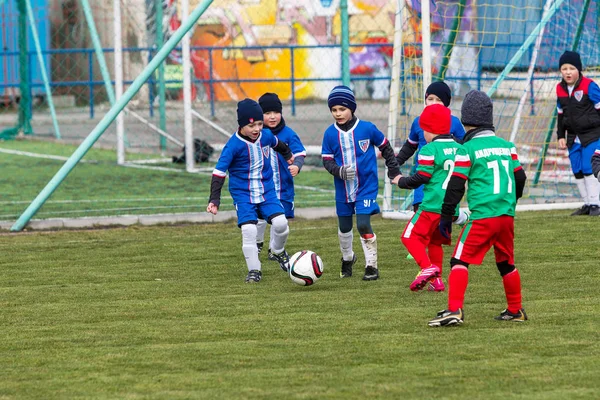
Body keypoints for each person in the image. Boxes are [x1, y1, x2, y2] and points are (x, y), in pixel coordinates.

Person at [428, 90, 528, 327]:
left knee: (458, 261)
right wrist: (511, 202)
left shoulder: (467, 149)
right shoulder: (507, 146)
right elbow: (520, 177)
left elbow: (455, 186)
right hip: (506, 216)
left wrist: (446, 216)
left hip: (483, 216)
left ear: (465, 121)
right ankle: (516, 310)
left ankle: (454, 310)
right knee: (506, 263)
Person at [207, 98, 294, 283]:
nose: (256, 129)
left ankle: (278, 251)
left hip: (266, 191)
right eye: (251, 125)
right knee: (249, 230)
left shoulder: (266, 136)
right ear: (241, 125)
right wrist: (214, 200)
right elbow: (219, 173)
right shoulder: (233, 146)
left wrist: (288, 156)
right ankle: (254, 270)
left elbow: (279, 144)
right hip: (244, 195)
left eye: (260, 124)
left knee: (281, 224)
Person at [321, 85, 401, 281]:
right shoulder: (329, 134)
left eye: (342, 109)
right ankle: (348, 258)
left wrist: (394, 170)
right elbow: (327, 160)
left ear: (352, 108)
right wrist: (337, 170)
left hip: (366, 187)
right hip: (343, 189)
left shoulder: (367, 128)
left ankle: (371, 267)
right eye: (334, 110)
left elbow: (386, 148)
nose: (338, 114)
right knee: (344, 228)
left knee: (363, 224)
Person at [395, 80, 467, 291]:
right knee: (435, 242)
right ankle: (437, 281)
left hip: (431, 204)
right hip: (449, 206)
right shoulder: (458, 149)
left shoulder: (429, 150)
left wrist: (401, 181)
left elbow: (423, 176)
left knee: (408, 236)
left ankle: (426, 267)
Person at [255, 93, 307, 258]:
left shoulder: (289, 134)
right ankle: (257, 242)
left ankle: (274, 250)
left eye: (276, 112)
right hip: (261, 186)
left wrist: (297, 166)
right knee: (260, 217)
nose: (272, 117)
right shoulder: (256, 134)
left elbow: (300, 153)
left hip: (283, 187)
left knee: (280, 220)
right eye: (267, 113)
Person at [555, 50, 600, 216]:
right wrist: (560, 135)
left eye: (571, 68)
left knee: (589, 167)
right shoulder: (559, 89)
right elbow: (560, 115)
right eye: (564, 68)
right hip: (573, 137)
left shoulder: (590, 86)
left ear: (579, 70)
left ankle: (596, 204)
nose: (568, 72)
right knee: (577, 169)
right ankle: (587, 204)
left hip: (592, 135)